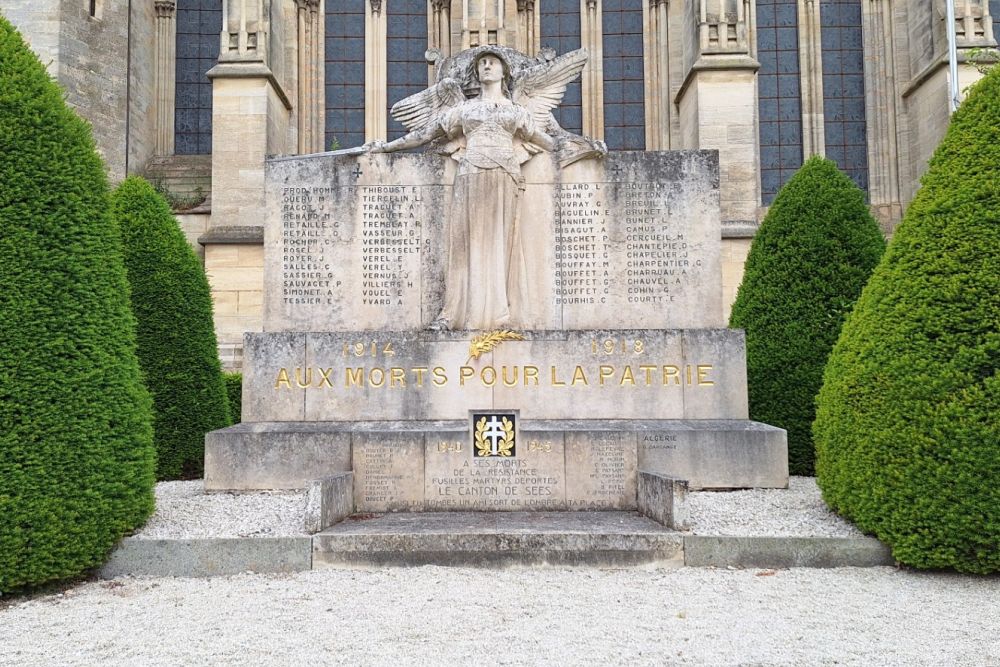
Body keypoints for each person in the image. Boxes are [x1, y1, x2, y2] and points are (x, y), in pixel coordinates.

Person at [368, 49, 558, 330]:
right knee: (466, 243)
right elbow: (425, 134)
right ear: (476, 72)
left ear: (504, 71)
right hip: (470, 173)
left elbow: (549, 142)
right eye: (482, 63)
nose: (487, 66)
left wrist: (580, 146)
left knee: (503, 243)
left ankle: (503, 314)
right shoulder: (464, 109)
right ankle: (455, 313)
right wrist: (386, 147)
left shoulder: (517, 111)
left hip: (505, 174)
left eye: (492, 62)